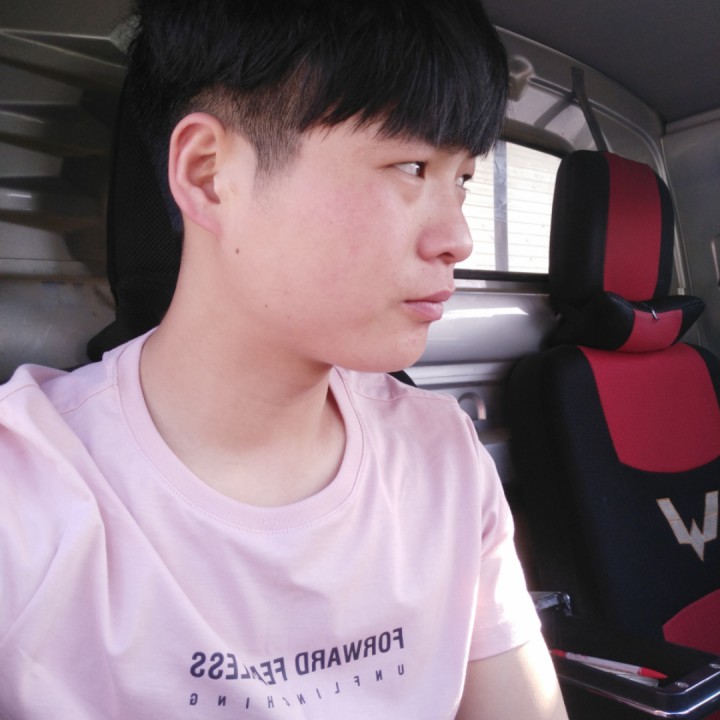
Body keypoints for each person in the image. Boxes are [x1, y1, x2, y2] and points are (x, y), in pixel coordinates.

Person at [0, 0, 568, 717]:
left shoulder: (443, 457)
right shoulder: (25, 495)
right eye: (412, 166)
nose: (458, 238)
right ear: (210, 175)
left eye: (462, 180)